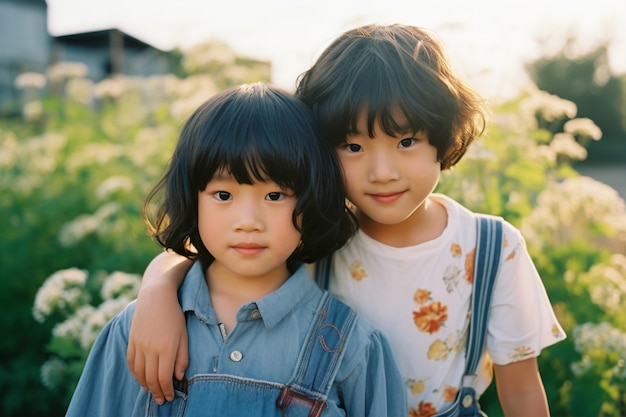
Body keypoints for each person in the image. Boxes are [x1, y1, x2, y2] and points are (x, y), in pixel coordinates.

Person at [126, 25, 566, 416]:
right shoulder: (317, 231)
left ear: (444, 136)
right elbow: (209, 253)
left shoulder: (491, 247)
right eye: (353, 147)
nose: (382, 172)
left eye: (406, 141)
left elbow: (523, 390)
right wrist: (156, 292)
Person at [66, 82, 407, 417]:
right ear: (192, 197)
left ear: (311, 199)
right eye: (223, 195)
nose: (248, 222)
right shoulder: (136, 330)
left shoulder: (352, 348)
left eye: (275, 196)